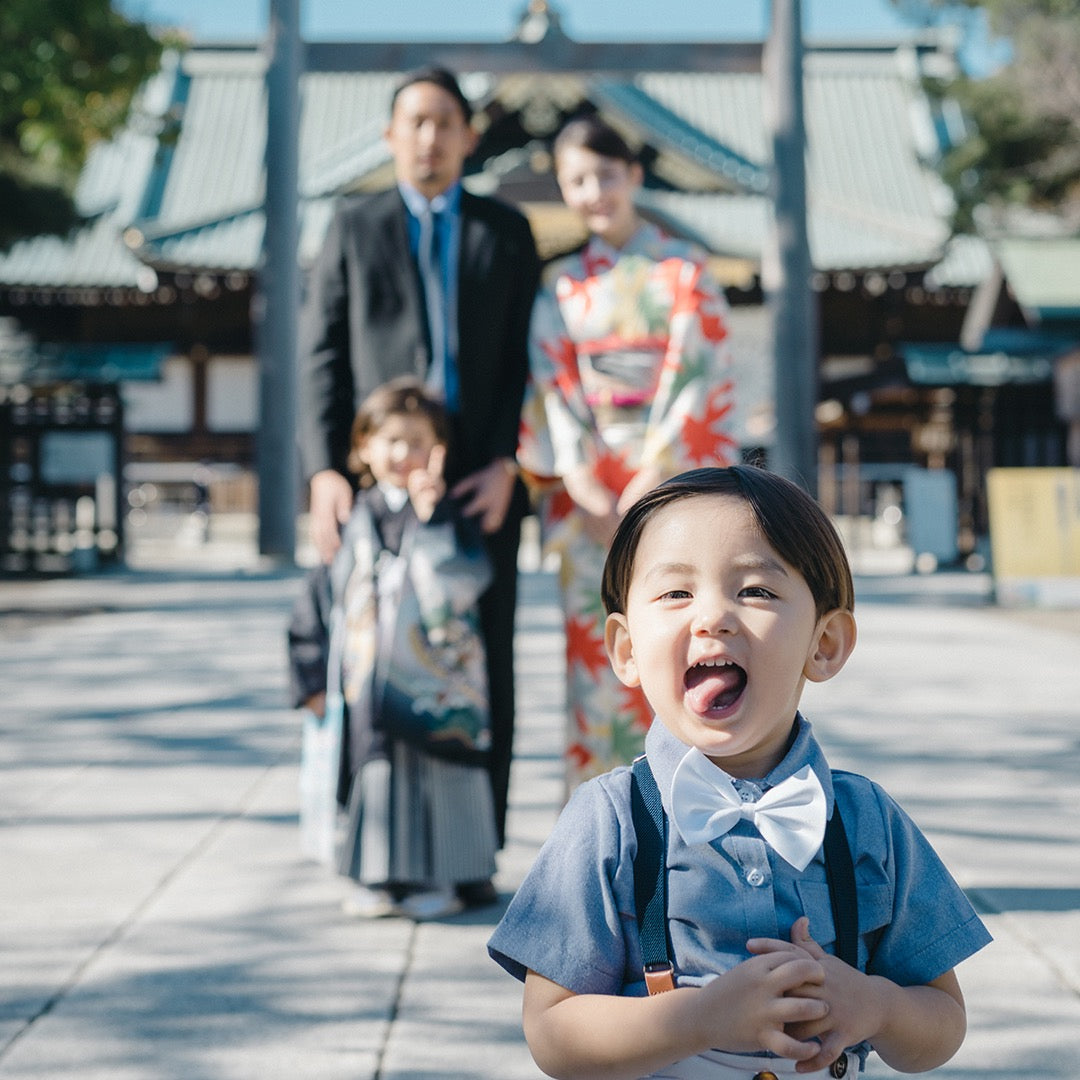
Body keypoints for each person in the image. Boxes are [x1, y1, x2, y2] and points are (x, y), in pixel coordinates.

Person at [488, 465, 991, 1079]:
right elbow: (553, 1033)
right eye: (676, 593)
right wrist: (697, 1018)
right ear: (624, 649)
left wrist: (876, 1005)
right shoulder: (610, 819)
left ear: (824, 643)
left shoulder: (865, 820)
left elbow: (942, 1025)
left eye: (754, 590)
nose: (712, 617)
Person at [298, 66, 540, 869]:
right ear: (390, 136)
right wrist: (327, 471)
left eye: (446, 123)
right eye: (416, 122)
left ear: (471, 136)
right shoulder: (353, 226)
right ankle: (372, 844)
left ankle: (477, 850)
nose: (430, 138)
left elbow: (521, 365)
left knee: (481, 658)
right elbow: (321, 357)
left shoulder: (505, 232)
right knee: (374, 659)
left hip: (478, 485)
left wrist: (511, 464)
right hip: (380, 485)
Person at [517, 115, 737, 793]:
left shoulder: (686, 272)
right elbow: (554, 385)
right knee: (598, 662)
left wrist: (653, 475)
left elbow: (694, 377)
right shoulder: (558, 286)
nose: (593, 192)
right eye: (576, 180)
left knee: (682, 654)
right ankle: (600, 828)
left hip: (667, 491)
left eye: (605, 175)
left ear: (633, 176)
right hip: (591, 503)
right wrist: (580, 477)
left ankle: (688, 821)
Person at [289, 378, 498, 920]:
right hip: (368, 682)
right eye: (391, 440)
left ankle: (444, 878)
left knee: (440, 773)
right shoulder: (354, 517)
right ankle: (378, 877)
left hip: (434, 679)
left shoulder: (448, 513)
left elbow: (466, 580)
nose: (404, 454)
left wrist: (434, 522)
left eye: (417, 440)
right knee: (378, 777)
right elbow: (318, 597)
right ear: (362, 448)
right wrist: (309, 676)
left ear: (440, 450)